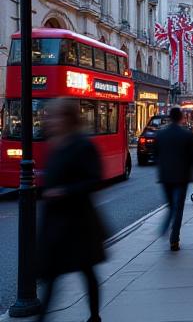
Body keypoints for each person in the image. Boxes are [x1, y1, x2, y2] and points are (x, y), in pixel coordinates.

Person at [37, 99, 106, 322]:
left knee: (86, 271)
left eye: (54, 117)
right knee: (51, 276)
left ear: (68, 119)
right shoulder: (55, 145)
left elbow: (94, 180)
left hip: (79, 223)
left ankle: (94, 315)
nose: (50, 121)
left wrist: (64, 191)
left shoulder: (83, 145)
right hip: (56, 224)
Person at [155, 107, 193, 251]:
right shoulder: (188, 135)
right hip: (182, 176)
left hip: (165, 176)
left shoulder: (160, 134)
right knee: (178, 208)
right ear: (181, 118)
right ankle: (174, 239)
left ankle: (166, 226)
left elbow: (156, 155)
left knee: (171, 205)